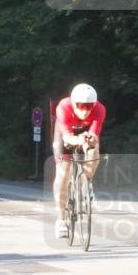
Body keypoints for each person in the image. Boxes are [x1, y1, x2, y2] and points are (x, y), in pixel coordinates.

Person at [52, 83, 106, 239]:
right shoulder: (64, 107)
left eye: (89, 106)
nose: (84, 110)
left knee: (94, 149)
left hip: (85, 131)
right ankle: (61, 219)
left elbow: (94, 134)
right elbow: (67, 137)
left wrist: (88, 141)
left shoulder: (99, 109)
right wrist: (77, 140)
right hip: (66, 133)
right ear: (73, 103)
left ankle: (87, 182)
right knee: (63, 172)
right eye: (81, 105)